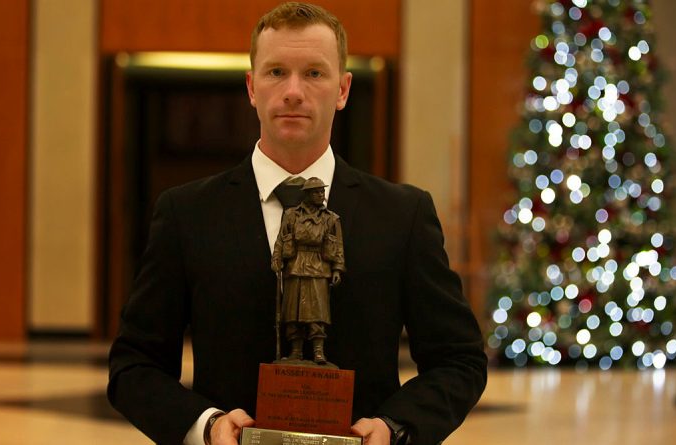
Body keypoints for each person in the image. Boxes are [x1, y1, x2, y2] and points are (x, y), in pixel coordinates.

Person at [108, 3, 487, 445]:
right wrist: (206, 427)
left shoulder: (403, 216)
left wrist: (394, 428)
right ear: (251, 87)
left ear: (343, 89)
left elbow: (459, 360)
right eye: (275, 73)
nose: (292, 91)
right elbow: (134, 365)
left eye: (313, 73)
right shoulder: (186, 214)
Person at [272, 177, 345, 365]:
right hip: (295, 267)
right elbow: (281, 239)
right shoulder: (291, 215)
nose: (321, 194)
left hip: (319, 267)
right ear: (307, 194)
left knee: (317, 313)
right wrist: (276, 259)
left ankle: (318, 351)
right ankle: (296, 351)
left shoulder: (331, 218)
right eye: (317, 192)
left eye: (322, 191)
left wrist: (337, 268)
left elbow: (338, 246)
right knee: (293, 311)